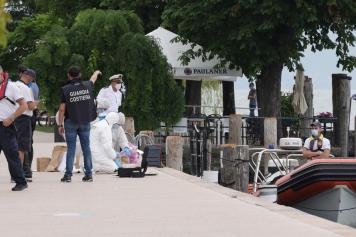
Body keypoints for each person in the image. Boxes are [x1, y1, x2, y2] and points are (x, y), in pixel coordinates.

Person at [58, 66, 101, 182]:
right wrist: (96, 72)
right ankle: (88, 174)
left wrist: (59, 125)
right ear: (80, 75)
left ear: (69, 75)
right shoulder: (87, 85)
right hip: (85, 121)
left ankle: (68, 175)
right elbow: (93, 79)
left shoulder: (65, 89)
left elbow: (62, 109)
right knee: (86, 147)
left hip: (70, 122)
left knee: (71, 148)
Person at [0, 66, 28, 191]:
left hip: (6, 126)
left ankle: (21, 182)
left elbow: (24, 106)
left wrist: (11, 118)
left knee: (11, 155)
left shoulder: (11, 87)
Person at [14, 69, 39, 178]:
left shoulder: (13, 85)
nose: (32, 81)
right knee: (22, 147)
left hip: (13, 117)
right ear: (29, 77)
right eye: (32, 79)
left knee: (13, 145)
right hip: (23, 118)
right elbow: (30, 106)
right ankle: (19, 174)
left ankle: (14, 172)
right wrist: (36, 104)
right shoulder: (25, 88)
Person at [23, 68, 40, 181]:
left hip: (24, 116)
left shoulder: (28, 87)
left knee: (23, 143)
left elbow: (29, 105)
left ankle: (25, 169)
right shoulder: (34, 86)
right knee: (29, 142)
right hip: (30, 115)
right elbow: (32, 105)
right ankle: (27, 168)